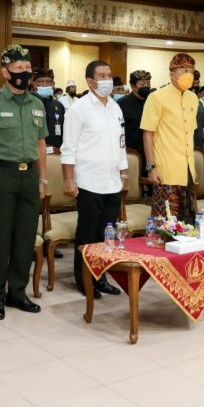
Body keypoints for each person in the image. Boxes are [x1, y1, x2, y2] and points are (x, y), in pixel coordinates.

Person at [0, 44, 47, 321]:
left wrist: (42, 179)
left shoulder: (37, 103)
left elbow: (41, 145)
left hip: (29, 176)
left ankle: (17, 292)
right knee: (0, 239)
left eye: (27, 68)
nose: (24, 73)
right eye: (18, 68)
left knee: (25, 238)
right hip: (1, 175)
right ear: (5, 72)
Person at [61, 60, 125, 298]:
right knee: (87, 235)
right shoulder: (78, 109)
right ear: (90, 81)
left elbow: (121, 143)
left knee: (106, 235)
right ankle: (85, 280)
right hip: (88, 182)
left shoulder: (115, 108)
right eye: (102, 76)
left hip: (112, 182)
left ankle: (101, 277)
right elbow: (68, 148)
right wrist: (69, 179)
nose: (107, 80)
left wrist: (124, 172)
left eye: (109, 75)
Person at [140, 53, 198, 223]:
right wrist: (151, 167)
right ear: (172, 74)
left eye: (192, 71)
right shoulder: (156, 97)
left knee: (187, 223)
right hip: (166, 170)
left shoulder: (193, 98)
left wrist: (192, 167)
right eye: (184, 70)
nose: (189, 74)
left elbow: (190, 135)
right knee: (165, 224)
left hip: (187, 170)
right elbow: (148, 134)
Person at [118, 70, 151, 167]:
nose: (146, 86)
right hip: (131, 153)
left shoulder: (153, 101)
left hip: (151, 151)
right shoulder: (122, 103)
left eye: (148, 84)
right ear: (133, 86)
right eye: (142, 84)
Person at [33, 68, 64, 148]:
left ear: (53, 84)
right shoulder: (28, 104)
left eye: (48, 81)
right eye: (40, 81)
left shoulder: (58, 105)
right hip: (34, 150)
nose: (45, 84)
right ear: (34, 83)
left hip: (56, 149)